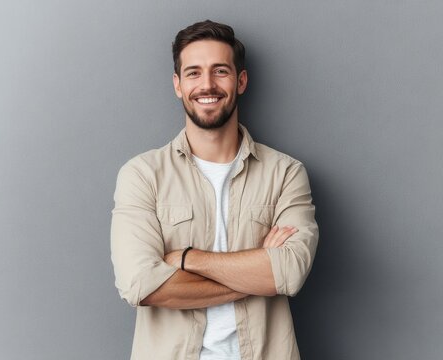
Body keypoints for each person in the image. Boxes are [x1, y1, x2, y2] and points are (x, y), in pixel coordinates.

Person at [110, 19, 319, 360]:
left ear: (241, 81)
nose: (206, 84)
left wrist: (187, 259)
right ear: (178, 84)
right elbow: (140, 284)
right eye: (193, 73)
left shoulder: (285, 174)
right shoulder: (142, 175)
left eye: (220, 71)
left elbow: (290, 272)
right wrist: (257, 275)